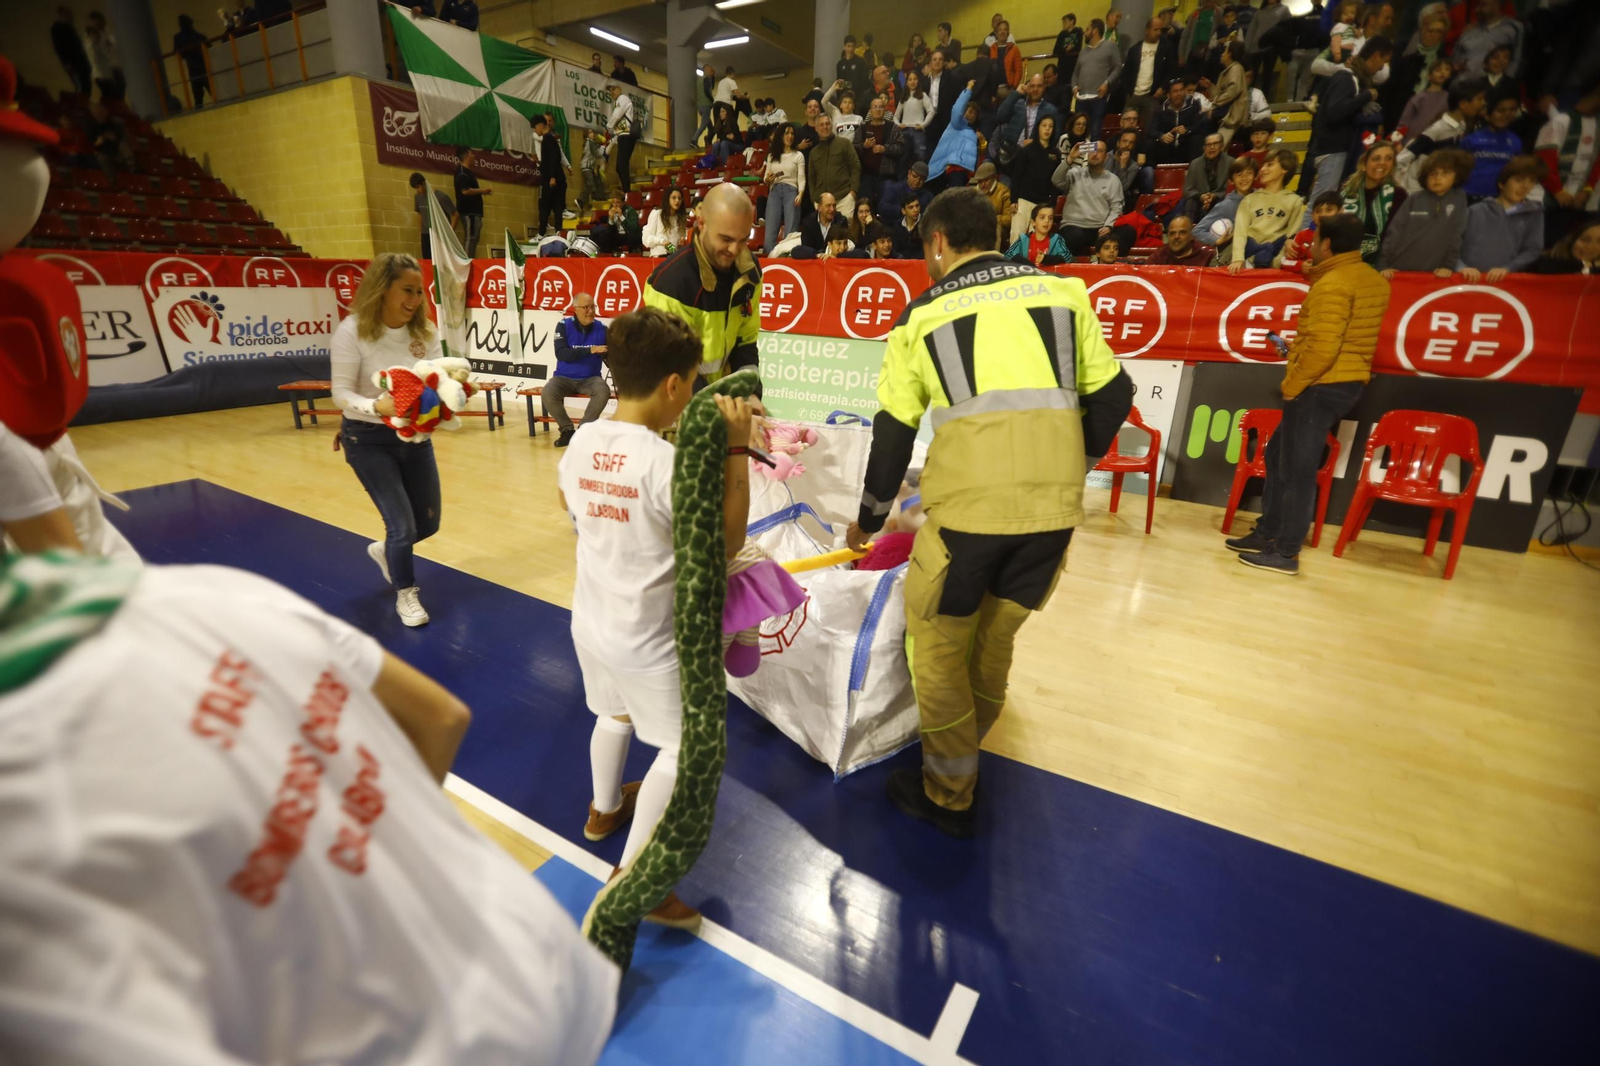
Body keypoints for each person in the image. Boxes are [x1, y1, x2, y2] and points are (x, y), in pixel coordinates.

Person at [0, 392, 620, 1066]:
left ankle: (397, 562)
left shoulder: (31, 823)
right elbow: (441, 718)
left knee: (418, 524)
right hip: (536, 962)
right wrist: (369, 837)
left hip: (435, 1042)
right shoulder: (211, 592)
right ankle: (400, 573)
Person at [844, 186, 1132, 838]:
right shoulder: (1063, 293)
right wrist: (1069, 460)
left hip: (968, 520)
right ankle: (971, 754)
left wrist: (867, 519)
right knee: (995, 641)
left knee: (939, 651)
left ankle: (949, 792)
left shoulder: (922, 316)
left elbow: (892, 431)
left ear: (938, 243)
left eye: (925, 250)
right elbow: (1115, 394)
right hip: (1054, 518)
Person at [558, 308, 757, 930]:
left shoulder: (585, 437)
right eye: (694, 381)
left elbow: (568, 507)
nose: (695, 393)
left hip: (591, 618)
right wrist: (738, 450)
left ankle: (603, 809)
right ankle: (635, 875)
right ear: (673, 385)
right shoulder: (664, 465)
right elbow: (724, 546)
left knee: (610, 713)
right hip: (649, 637)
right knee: (683, 745)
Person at [1229, 212, 1390, 577]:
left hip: (1321, 384)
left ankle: (1285, 552)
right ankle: (1269, 532)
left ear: (1328, 245)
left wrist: (1293, 384)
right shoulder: (1372, 280)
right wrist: (1296, 350)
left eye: (1316, 241)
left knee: (1297, 471)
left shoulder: (1333, 285)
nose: (1312, 246)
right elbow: (1340, 340)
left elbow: (1324, 350)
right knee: (1277, 455)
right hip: (1342, 382)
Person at [331, 254, 459, 625]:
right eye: (407, 290)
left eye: (419, 291)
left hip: (415, 439)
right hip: (367, 439)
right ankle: (405, 593)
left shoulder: (425, 332)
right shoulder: (351, 331)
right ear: (382, 289)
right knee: (401, 526)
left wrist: (448, 398)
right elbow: (339, 393)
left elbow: (437, 380)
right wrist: (377, 406)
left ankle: (387, 552)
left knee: (428, 524)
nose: (416, 299)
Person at [643, 183, 761, 387]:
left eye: (743, 240)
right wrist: (714, 408)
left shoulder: (749, 271)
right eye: (726, 239)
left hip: (712, 394)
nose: (734, 250)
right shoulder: (671, 282)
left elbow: (746, 340)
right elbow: (674, 364)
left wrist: (749, 393)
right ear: (701, 223)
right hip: (671, 399)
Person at [1305, 37, 1394, 210]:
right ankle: (1304, 238)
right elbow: (1335, 111)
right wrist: (1365, 96)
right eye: (1384, 61)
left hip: (1336, 150)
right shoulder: (1347, 77)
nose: (1382, 66)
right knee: (1320, 205)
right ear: (1375, 55)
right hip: (1331, 150)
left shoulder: (1356, 80)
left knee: (1328, 204)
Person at [1377, 148, 1471, 278]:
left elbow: (1456, 236)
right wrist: (1382, 265)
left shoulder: (1459, 199)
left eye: (1445, 173)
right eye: (1433, 173)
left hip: (1433, 274)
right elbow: (1394, 232)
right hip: (1397, 269)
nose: (1437, 178)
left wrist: (1448, 265)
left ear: (1457, 177)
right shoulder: (1414, 198)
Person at [1457, 155, 1544, 280]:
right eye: (1519, 180)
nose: (1525, 187)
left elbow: (1532, 250)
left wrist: (1508, 268)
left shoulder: (1535, 214)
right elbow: (1450, 244)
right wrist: (1461, 267)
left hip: (1504, 286)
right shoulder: (1475, 211)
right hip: (1465, 283)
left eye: (1531, 181)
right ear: (1502, 183)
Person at [1534, 87, 1600, 246]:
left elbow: (1597, 162)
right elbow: (1544, 160)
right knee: (1545, 245)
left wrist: (1587, 190)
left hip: (1580, 203)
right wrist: (1558, 191)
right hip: (1550, 201)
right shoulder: (1562, 121)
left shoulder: (1598, 124)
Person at [543, 293, 610, 447]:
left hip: (591, 378)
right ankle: (567, 431)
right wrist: (590, 350)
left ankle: (583, 430)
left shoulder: (602, 328)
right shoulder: (563, 325)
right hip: (563, 378)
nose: (591, 311)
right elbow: (561, 354)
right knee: (548, 392)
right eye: (586, 307)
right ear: (575, 309)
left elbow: (611, 354)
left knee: (603, 391)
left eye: (593, 306)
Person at [1230, 148, 1303, 270]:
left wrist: (1278, 262)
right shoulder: (1249, 199)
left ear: (1285, 169)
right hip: (1248, 260)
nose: (1263, 170)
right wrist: (1238, 258)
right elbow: (1240, 232)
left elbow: (1292, 236)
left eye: (1270, 165)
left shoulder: (1294, 201)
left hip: (1276, 262)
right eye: (1263, 165)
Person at [1053, 139, 1124, 256]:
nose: (1095, 154)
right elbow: (1056, 180)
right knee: (1075, 236)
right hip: (1073, 225)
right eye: (1092, 151)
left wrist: (1108, 226)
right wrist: (1070, 158)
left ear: (1106, 157)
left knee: (1127, 231)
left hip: (1099, 227)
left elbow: (1116, 207)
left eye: (1099, 151)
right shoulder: (1075, 173)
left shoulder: (1113, 180)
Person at [1010, 114, 1063, 246]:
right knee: (1016, 236)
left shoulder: (1056, 153)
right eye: (1044, 125)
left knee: (1036, 240)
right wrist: (1013, 199)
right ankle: (1013, 264)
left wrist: (1052, 202)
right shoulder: (1027, 150)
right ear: (1038, 128)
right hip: (1023, 199)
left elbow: (1056, 180)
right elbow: (1016, 175)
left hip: (1042, 203)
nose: (1047, 129)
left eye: (1051, 126)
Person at [1121, 17, 1177, 132]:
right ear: (1147, 30)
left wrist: (1162, 87)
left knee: (1150, 129)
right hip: (1133, 95)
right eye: (1155, 29)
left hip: (1151, 96)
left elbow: (1170, 70)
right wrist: (1127, 91)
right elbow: (1126, 71)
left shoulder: (1165, 48)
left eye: (1160, 30)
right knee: (1126, 129)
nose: (1158, 33)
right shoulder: (1135, 49)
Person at [1460, 93, 1522, 198]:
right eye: (1500, 111)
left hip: (1498, 199)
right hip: (1468, 196)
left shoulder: (1515, 141)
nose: (1506, 115)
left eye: (1511, 110)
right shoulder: (1471, 140)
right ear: (1487, 116)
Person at [994, 74, 1061, 168]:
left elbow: (1055, 137)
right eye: (1032, 86)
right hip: (1010, 155)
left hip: (1033, 159)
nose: (1035, 89)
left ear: (1044, 88)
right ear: (1027, 87)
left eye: (1039, 86)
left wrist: (1036, 143)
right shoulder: (1017, 103)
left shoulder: (1051, 110)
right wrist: (1016, 93)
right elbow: (1000, 117)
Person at [1072, 18, 1124, 139]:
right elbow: (1075, 73)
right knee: (1078, 133)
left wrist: (1107, 83)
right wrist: (1074, 87)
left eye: (1088, 29)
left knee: (1095, 131)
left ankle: (1093, 157)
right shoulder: (1083, 51)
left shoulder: (1110, 45)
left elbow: (1118, 67)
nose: (1085, 32)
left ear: (1095, 31)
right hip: (1081, 98)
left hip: (1097, 98)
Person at [1197, 156, 1259, 250]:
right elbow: (1197, 231)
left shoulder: (1261, 197)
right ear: (1231, 180)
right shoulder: (1226, 205)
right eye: (1239, 174)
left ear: (1255, 176)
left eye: (1249, 173)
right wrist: (1216, 241)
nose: (1244, 178)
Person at [762, 123, 805, 256]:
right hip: (774, 192)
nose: (790, 136)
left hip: (791, 191)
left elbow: (801, 177)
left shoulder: (798, 155)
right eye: (787, 133)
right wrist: (767, 180)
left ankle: (787, 264)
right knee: (770, 233)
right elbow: (765, 177)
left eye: (792, 133)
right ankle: (769, 264)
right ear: (780, 135)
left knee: (790, 235)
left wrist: (801, 194)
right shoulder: (771, 156)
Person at [807, 113, 861, 220]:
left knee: (845, 234)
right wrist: (814, 198)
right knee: (825, 235)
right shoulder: (814, 152)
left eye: (827, 124)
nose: (825, 127)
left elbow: (855, 166)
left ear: (832, 126)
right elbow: (811, 177)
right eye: (821, 125)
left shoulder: (845, 144)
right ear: (816, 128)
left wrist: (853, 192)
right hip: (821, 202)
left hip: (844, 199)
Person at [855, 97, 904, 210]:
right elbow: (853, 149)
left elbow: (901, 148)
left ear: (885, 110)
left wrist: (884, 149)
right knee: (864, 208)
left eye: (881, 107)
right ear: (870, 111)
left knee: (886, 208)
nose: (878, 110)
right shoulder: (862, 128)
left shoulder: (893, 128)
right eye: (875, 107)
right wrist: (864, 146)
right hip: (866, 176)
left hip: (886, 176)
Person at [1453, 0, 1522, 78]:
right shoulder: (1470, 30)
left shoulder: (1513, 28)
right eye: (1478, 5)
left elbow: (1516, 59)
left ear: (1497, 3)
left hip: (1492, 86)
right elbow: (1456, 57)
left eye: (1483, 4)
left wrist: (1505, 82)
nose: (1478, 9)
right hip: (1462, 83)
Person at [1282, 191, 1345, 272]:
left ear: (1340, 212)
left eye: (1329, 210)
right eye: (1318, 211)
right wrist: (1301, 266)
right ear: (1312, 215)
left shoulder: (1346, 235)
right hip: (1305, 283)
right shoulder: (1302, 235)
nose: (1323, 215)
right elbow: (1284, 261)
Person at [1183, 132, 1231, 223]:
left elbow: (1232, 189)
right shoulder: (1195, 164)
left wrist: (1214, 196)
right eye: (1208, 145)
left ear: (1222, 145)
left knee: (1225, 202)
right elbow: (1187, 190)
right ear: (1204, 148)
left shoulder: (1231, 162)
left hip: (1221, 199)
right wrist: (1202, 197)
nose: (1212, 147)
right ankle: (1188, 231)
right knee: (1190, 202)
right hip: (1200, 201)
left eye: (1215, 144)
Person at [1244, 0, 1291, 93]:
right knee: (1252, 74)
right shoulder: (1260, 11)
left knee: (1267, 75)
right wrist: (1246, 48)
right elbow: (1251, 30)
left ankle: (1264, 99)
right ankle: (1247, 97)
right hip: (1256, 47)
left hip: (1272, 47)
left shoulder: (1284, 10)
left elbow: (1288, 28)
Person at [1152, 78, 1202, 164]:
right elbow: (1151, 130)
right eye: (1175, 91)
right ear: (1168, 94)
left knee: (1196, 139)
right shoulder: (1160, 110)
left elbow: (1200, 127)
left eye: (1181, 90)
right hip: (1168, 148)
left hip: (1186, 146)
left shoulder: (1194, 106)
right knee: (1152, 143)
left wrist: (1187, 130)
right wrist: (1161, 136)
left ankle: (1193, 171)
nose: (1179, 94)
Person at [1007, 202, 1074, 264]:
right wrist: (1029, 264)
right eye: (1042, 217)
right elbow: (1008, 255)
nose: (1047, 221)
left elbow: (1068, 257)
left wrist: (1046, 259)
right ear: (1033, 222)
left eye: (1050, 218)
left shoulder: (1057, 239)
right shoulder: (1023, 239)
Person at [409, 172, 457, 259]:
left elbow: (455, 214)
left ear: (423, 183)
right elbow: (419, 213)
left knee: (441, 261)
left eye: (418, 187)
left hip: (439, 233)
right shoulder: (417, 197)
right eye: (415, 188)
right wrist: (420, 232)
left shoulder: (441, 197)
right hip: (426, 234)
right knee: (428, 261)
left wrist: (450, 233)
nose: (417, 190)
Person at [534, 115, 567, 237]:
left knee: (545, 208)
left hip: (552, 180)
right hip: (557, 178)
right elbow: (550, 160)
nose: (535, 131)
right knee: (557, 208)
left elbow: (554, 158)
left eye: (535, 128)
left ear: (540, 125)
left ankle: (541, 234)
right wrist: (540, 165)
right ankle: (559, 233)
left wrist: (552, 177)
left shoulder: (547, 139)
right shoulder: (551, 139)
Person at [1212, 40, 1249, 149]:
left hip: (1232, 115)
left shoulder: (1236, 68)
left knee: (1218, 147)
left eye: (1225, 51)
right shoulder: (1231, 69)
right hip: (1227, 114)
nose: (1222, 54)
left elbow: (1233, 91)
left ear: (1230, 53)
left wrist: (1215, 104)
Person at [1529, 219, 1600, 275]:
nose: (1590, 246)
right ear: (1573, 240)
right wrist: (1587, 265)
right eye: (1585, 239)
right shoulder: (1541, 264)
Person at [971, 161, 1014, 250]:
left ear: (994, 178)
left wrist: (993, 219)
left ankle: (992, 259)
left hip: (998, 228)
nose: (982, 185)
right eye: (980, 181)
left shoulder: (1004, 191)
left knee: (995, 229)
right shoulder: (973, 193)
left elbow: (1009, 219)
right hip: (977, 225)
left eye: (986, 180)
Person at [51, 7, 93, 96]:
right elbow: (60, 47)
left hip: (79, 64)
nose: (70, 17)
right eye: (67, 14)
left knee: (84, 87)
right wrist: (66, 62)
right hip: (75, 63)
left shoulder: (69, 28)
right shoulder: (59, 28)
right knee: (82, 88)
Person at [84, 11, 125, 101]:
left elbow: (115, 47)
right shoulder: (91, 38)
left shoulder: (107, 33)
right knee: (112, 97)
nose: (99, 24)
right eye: (95, 22)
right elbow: (95, 57)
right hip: (104, 73)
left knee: (119, 95)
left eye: (100, 21)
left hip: (115, 67)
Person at [1145, 213, 1216, 265]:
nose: (1176, 237)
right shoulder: (1157, 257)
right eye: (1172, 233)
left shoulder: (1207, 257)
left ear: (1191, 236)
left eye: (1182, 232)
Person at [607, 82, 638, 196]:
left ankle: (627, 192)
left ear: (619, 89)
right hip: (622, 135)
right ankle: (626, 190)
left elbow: (617, 115)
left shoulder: (622, 98)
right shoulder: (618, 101)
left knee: (621, 165)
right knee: (620, 166)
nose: (611, 92)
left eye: (613, 89)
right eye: (610, 90)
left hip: (626, 135)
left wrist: (608, 127)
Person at [173, 14, 210, 108]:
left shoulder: (198, 36)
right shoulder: (198, 37)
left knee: (204, 93)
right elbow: (178, 53)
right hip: (197, 67)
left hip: (200, 67)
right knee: (199, 95)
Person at [896, 70, 932, 165]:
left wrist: (923, 125)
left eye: (915, 79)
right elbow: (896, 116)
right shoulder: (904, 97)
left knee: (920, 155)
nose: (912, 82)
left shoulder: (923, 95)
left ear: (918, 81)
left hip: (918, 131)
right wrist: (899, 125)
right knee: (904, 157)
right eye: (910, 79)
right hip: (905, 130)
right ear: (906, 82)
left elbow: (931, 111)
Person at [643, 185, 690, 257]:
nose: (677, 201)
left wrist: (681, 245)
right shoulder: (657, 214)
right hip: (658, 257)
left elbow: (674, 249)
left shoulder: (681, 218)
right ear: (667, 199)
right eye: (674, 198)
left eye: (679, 198)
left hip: (673, 257)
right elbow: (646, 239)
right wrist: (662, 241)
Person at [798, 191, 842, 255]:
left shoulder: (840, 221)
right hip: (814, 260)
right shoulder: (808, 222)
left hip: (835, 260)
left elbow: (843, 247)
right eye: (828, 206)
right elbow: (806, 248)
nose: (832, 209)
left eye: (834, 205)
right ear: (819, 207)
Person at [987, 21, 1024, 90]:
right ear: (996, 33)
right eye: (1000, 30)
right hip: (993, 89)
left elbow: (1018, 70)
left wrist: (1014, 86)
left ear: (1008, 33)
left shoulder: (1014, 49)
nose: (1002, 32)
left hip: (1008, 89)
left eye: (1005, 29)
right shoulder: (991, 49)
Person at [838, 34, 872, 101]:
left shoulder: (860, 62)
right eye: (848, 46)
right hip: (843, 99)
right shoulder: (840, 64)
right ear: (844, 47)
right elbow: (839, 84)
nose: (850, 49)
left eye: (853, 46)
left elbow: (864, 82)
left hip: (857, 98)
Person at [1053, 13, 1085, 83]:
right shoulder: (1062, 34)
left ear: (1072, 21)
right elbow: (1055, 50)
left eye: (1065, 21)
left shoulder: (1078, 31)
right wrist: (1067, 49)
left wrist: (1064, 50)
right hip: (1063, 65)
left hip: (1073, 64)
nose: (1063, 24)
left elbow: (1078, 47)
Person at [695, 62, 716, 146]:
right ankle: (694, 140)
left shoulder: (699, 80)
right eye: (709, 68)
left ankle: (708, 140)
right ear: (705, 69)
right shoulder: (706, 79)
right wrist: (712, 100)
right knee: (703, 125)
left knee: (710, 127)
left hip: (700, 105)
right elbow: (707, 91)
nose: (711, 70)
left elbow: (711, 87)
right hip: (705, 105)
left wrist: (713, 76)